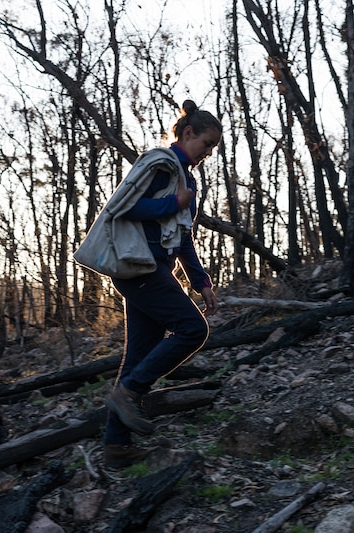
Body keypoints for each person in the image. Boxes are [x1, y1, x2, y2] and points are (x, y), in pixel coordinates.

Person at [103, 100, 222, 468]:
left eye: (213, 148)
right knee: (191, 329)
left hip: (156, 269)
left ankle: (116, 447)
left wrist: (199, 280)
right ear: (188, 133)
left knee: (137, 356)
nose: (208, 152)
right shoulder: (159, 165)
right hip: (137, 268)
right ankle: (130, 393)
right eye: (207, 144)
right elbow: (123, 208)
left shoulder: (188, 179)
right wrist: (171, 202)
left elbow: (183, 237)